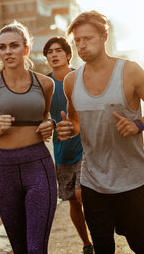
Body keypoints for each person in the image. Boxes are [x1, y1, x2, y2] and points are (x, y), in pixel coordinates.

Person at [57, 11, 144, 254]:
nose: (81, 45)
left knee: (138, 243)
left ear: (104, 36)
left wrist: (139, 124)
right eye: (77, 41)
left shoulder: (129, 71)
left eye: (87, 38)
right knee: (103, 248)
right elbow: (75, 120)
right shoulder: (71, 81)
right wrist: (69, 129)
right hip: (93, 181)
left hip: (132, 179)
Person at [0, 21, 57, 254]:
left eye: (14, 46)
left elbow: (46, 114)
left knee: (36, 248)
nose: (7, 52)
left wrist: (49, 123)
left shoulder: (45, 83)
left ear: (26, 49)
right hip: (4, 168)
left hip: (38, 164)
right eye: (2, 47)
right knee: (19, 249)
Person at [42, 36, 93, 254]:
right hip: (61, 150)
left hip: (85, 147)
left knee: (84, 195)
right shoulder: (44, 84)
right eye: (49, 52)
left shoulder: (81, 77)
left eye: (58, 51)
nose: (53, 55)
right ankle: (87, 244)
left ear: (67, 54)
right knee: (73, 201)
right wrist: (47, 124)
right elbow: (41, 115)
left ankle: (100, 235)